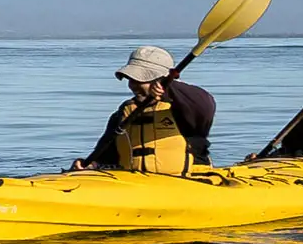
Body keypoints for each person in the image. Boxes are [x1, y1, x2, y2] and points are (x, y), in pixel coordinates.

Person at [77, 46, 213, 174]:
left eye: (140, 80)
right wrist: (92, 164)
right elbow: (107, 155)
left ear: (162, 80)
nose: (133, 85)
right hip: (137, 183)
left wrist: (169, 88)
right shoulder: (123, 113)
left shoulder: (187, 109)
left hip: (188, 181)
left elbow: (205, 101)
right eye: (131, 79)